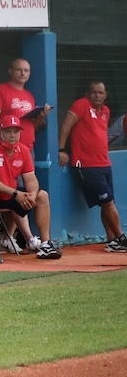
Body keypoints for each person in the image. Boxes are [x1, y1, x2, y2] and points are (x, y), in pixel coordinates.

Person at [0, 115, 62, 263]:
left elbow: (31, 179)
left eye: (16, 131)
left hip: (12, 193)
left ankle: (45, 245)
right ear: (1, 133)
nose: (12, 135)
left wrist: (32, 195)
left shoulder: (23, 150)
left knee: (42, 195)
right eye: (8, 131)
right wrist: (16, 193)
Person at [0, 58, 52, 247]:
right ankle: (28, 238)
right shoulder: (2, 90)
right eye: (19, 70)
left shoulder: (29, 96)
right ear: (11, 71)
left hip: (26, 149)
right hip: (6, 151)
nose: (23, 73)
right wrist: (0, 144)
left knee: (25, 194)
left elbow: (32, 125)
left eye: (27, 70)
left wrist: (40, 117)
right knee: (13, 193)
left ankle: (10, 237)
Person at [58, 81, 127, 252]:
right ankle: (122, 238)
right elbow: (66, 124)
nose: (97, 95)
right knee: (108, 202)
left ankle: (112, 241)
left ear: (105, 95)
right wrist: (61, 149)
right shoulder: (81, 105)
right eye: (93, 92)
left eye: (100, 92)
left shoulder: (106, 111)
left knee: (107, 203)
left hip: (104, 163)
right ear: (88, 94)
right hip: (86, 165)